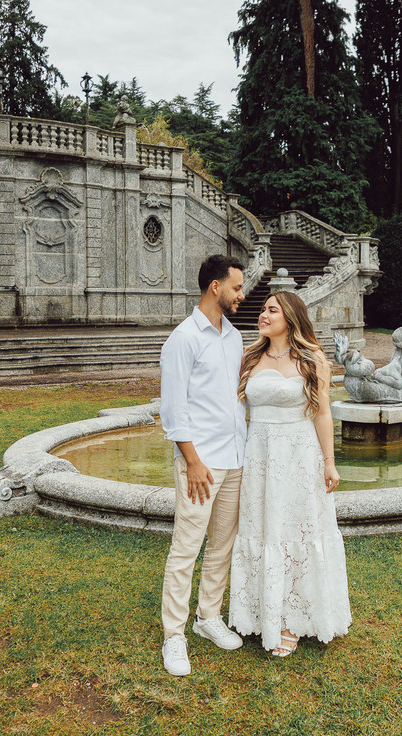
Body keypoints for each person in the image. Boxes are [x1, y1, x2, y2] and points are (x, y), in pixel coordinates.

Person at [229, 291, 351, 657]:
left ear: (291, 317)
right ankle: (262, 611)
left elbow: (322, 413)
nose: (263, 315)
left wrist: (329, 461)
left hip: (299, 455)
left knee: (298, 531)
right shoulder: (249, 357)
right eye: (263, 310)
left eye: (271, 310)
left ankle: (292, 619)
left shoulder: (313, 359)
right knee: (264, 530)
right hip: (260, 456)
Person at [158, 254, 248, 676]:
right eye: (236, 287)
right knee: (186, 548)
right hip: (201, 462)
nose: (241, 295)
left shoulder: (233, 336)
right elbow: (173, 409)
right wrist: (191, 461)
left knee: (222, 544)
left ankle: (208, 618)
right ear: (216, 286)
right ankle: (174, 636)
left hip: (234, 458)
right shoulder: (182, 339)